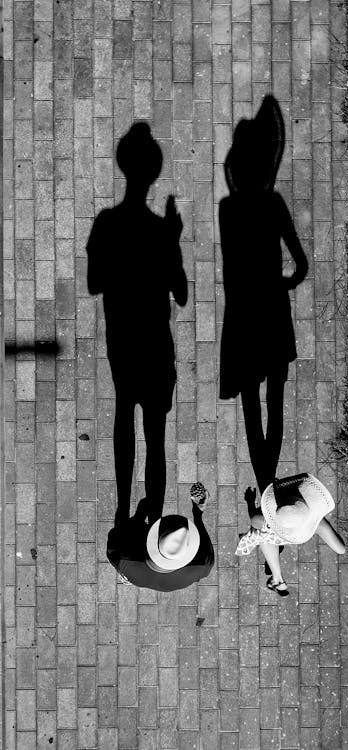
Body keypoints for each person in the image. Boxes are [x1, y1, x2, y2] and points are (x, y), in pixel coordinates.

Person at [86, 122, 188, 528]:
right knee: (155, 432)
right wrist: (172, 240)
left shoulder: (106, 223)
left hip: (123, 335)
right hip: (155, 339)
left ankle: (122, 507)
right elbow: (180, 295)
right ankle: (155, 514)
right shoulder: (162, 231)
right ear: (152, 174)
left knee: (123, 413)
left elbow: (95, 284)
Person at [218, 95, 309, 495]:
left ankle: (267, 493)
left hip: (242, 311)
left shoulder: (228, 209)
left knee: (253, 404)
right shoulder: (272, 204)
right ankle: (267, 497)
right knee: (275, 398)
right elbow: (300, 265)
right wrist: (283, 284)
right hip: (272, 309)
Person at [236, 474, 346, 596]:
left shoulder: (266, 519)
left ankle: (278, 578)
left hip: (277, 532)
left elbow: (254, 520)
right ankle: (276, 580)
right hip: (299, 534)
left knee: (263, 534)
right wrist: (320, 521)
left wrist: (250, 502)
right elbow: (341, 549)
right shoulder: (318, 523)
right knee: (264, 533)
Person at [107, 483, 214, 591]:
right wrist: (198, 513)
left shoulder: (126, 562)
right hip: (137, 577)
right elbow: (205, 547)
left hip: (136, 546)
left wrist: (138, 517)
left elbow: (113, 538)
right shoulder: (202, 567)